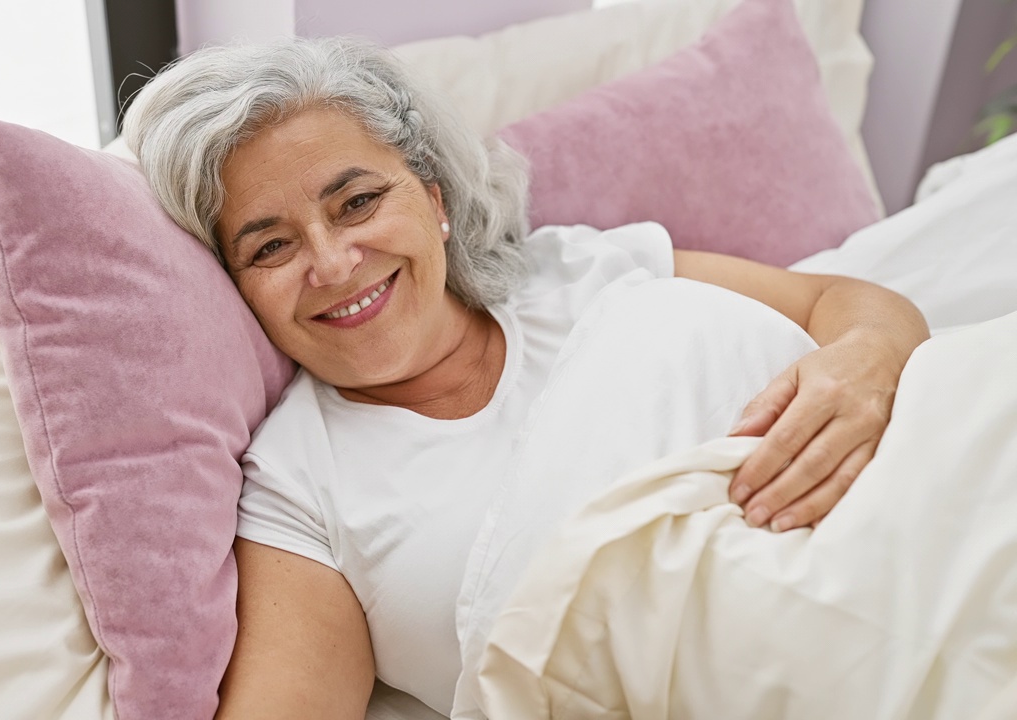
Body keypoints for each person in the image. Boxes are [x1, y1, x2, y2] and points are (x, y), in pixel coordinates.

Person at [123, 37, 929, 719]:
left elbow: (843, 301)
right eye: (270, 248)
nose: (333, 263)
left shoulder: (576, 268)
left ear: (433, 200)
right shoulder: (298, 482)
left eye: (359, 201)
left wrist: (868, 364)